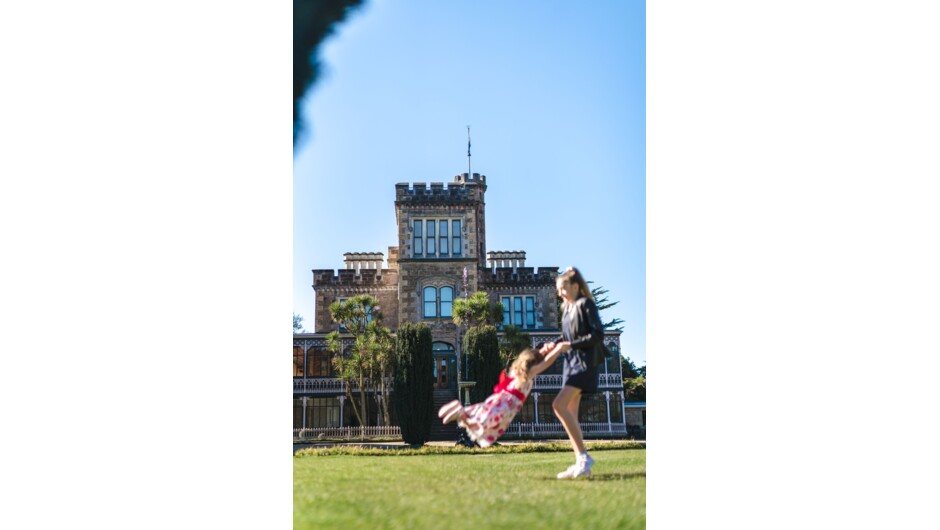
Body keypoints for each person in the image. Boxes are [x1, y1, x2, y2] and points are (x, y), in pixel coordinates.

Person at [539, 266, 609, 479]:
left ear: (576, 286)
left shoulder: (585, 304)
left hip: (586, 363)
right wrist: (554, 344)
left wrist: (569, 346)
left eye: (563, 288)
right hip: (571, 363)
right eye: (558, 289)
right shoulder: (567, 309)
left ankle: (584, 458)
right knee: (571, 412)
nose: (559, 293)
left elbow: (598, 335)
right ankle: (581, 462)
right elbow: (567, 337)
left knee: (558, 405)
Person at [438, 346, 564, 448]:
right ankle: (459, 410)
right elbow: (546, 363)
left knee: (479, 420)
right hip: (506, 405)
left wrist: (544, 350)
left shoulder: (515, 372)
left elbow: (538, 359)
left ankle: (460, 410)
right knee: (483, 424)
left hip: (498, 399)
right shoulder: (526, 376)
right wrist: (558, 349)